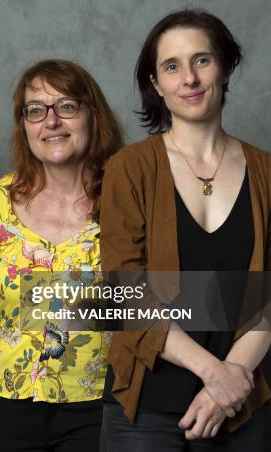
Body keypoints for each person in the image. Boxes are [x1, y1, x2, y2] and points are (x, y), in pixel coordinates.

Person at [100, 9, 271, 451]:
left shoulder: (268, 171)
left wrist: (230, 382)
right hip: (146, 400)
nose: (189, 79)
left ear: (225, 67)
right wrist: (214, 374)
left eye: (202, 60)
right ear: (156, 84)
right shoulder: (130, 167)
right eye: (171, 66)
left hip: (244, 398)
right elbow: (123, 291)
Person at [0, 59, 123, 451]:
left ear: (93, 116)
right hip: (2, 402)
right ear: (25, 126)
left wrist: (50, 299)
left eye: (66, 106)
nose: (51, 121)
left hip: (97, 405)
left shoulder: (130, 199)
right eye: (36, 110)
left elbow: (163, 300)